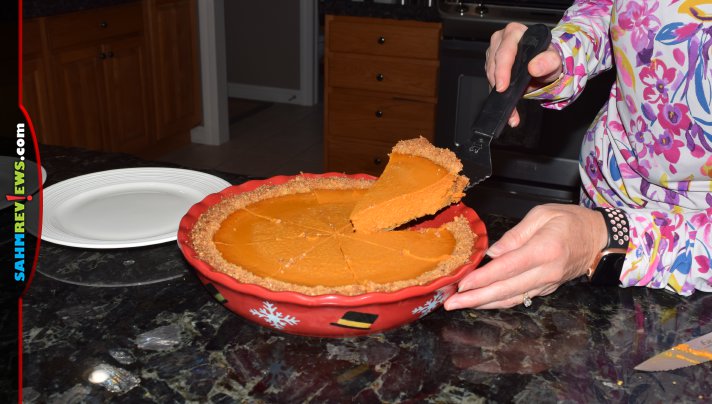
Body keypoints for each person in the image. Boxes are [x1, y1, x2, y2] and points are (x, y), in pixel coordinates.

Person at [444, 0, 712, 310]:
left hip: (687, 260)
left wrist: (603, 237)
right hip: (594, 211)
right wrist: (560, 56)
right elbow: (611, 8)